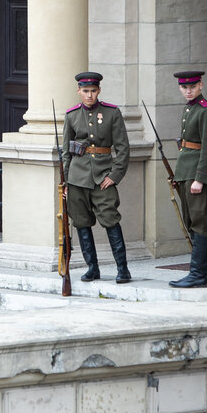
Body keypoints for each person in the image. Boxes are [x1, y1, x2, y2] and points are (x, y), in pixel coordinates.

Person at [62, 72, 131, 283]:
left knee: (111, 220)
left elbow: (123, 148)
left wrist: (115, 175)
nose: (89, 95)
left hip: (103, 177)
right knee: (81, 223)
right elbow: (66, 151)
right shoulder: (72, 115)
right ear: (79, 91)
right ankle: (92, 268)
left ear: (98, 90)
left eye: (93, 91)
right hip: (77, 178)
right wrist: (64, 182)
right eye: (85, 91)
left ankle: (122, 269)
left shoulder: (111, 113)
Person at [168, 71, 207, 288]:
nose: (188, 90)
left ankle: (197, 275)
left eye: (192, 86)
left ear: (201, 85)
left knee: (200, 223)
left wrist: (200, 178)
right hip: (186, 172)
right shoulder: (190, 108)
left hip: (197, 174)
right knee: (191, 221)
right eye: (184, 87)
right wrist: (180, 175)